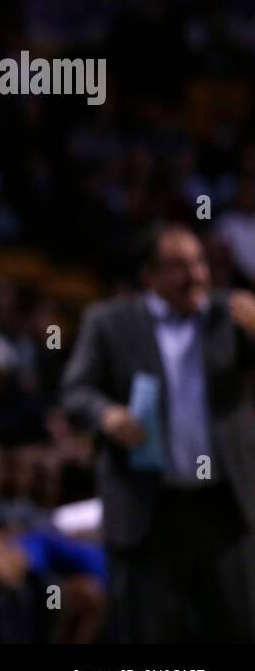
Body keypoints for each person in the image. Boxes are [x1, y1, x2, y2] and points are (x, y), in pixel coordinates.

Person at [61, 223, 255, 641]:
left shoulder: (233, 316)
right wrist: (106, 415)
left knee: (239, 626)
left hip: (221, 504)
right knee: (149, 633)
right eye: (180, 267)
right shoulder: (109, 322)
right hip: (148, 506)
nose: (198, 276)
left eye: (200, 263)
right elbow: (75, 391)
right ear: (149, 276)